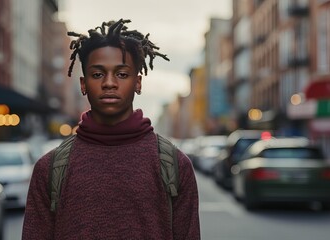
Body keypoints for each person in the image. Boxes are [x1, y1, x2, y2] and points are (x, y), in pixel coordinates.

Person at [22, 19, 200, 240]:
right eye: (97, 74)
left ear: (138, 83)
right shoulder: (49, 168)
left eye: (122, 74)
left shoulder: (174, 164)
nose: (109, 83)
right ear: (83, 84)